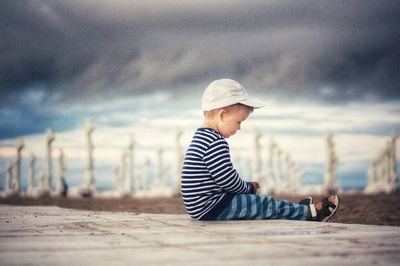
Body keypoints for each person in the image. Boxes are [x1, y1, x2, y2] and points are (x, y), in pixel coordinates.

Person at [181, 79, 339, 222]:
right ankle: (310, 214)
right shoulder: (215, 142)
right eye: (238, 122)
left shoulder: (200, 138)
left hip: (199, 207)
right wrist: (248, 187)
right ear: (222, 115)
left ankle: (297, 210)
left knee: (255, 204)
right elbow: (227, 180)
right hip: (213, 207)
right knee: (263, 204)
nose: (239, 128)